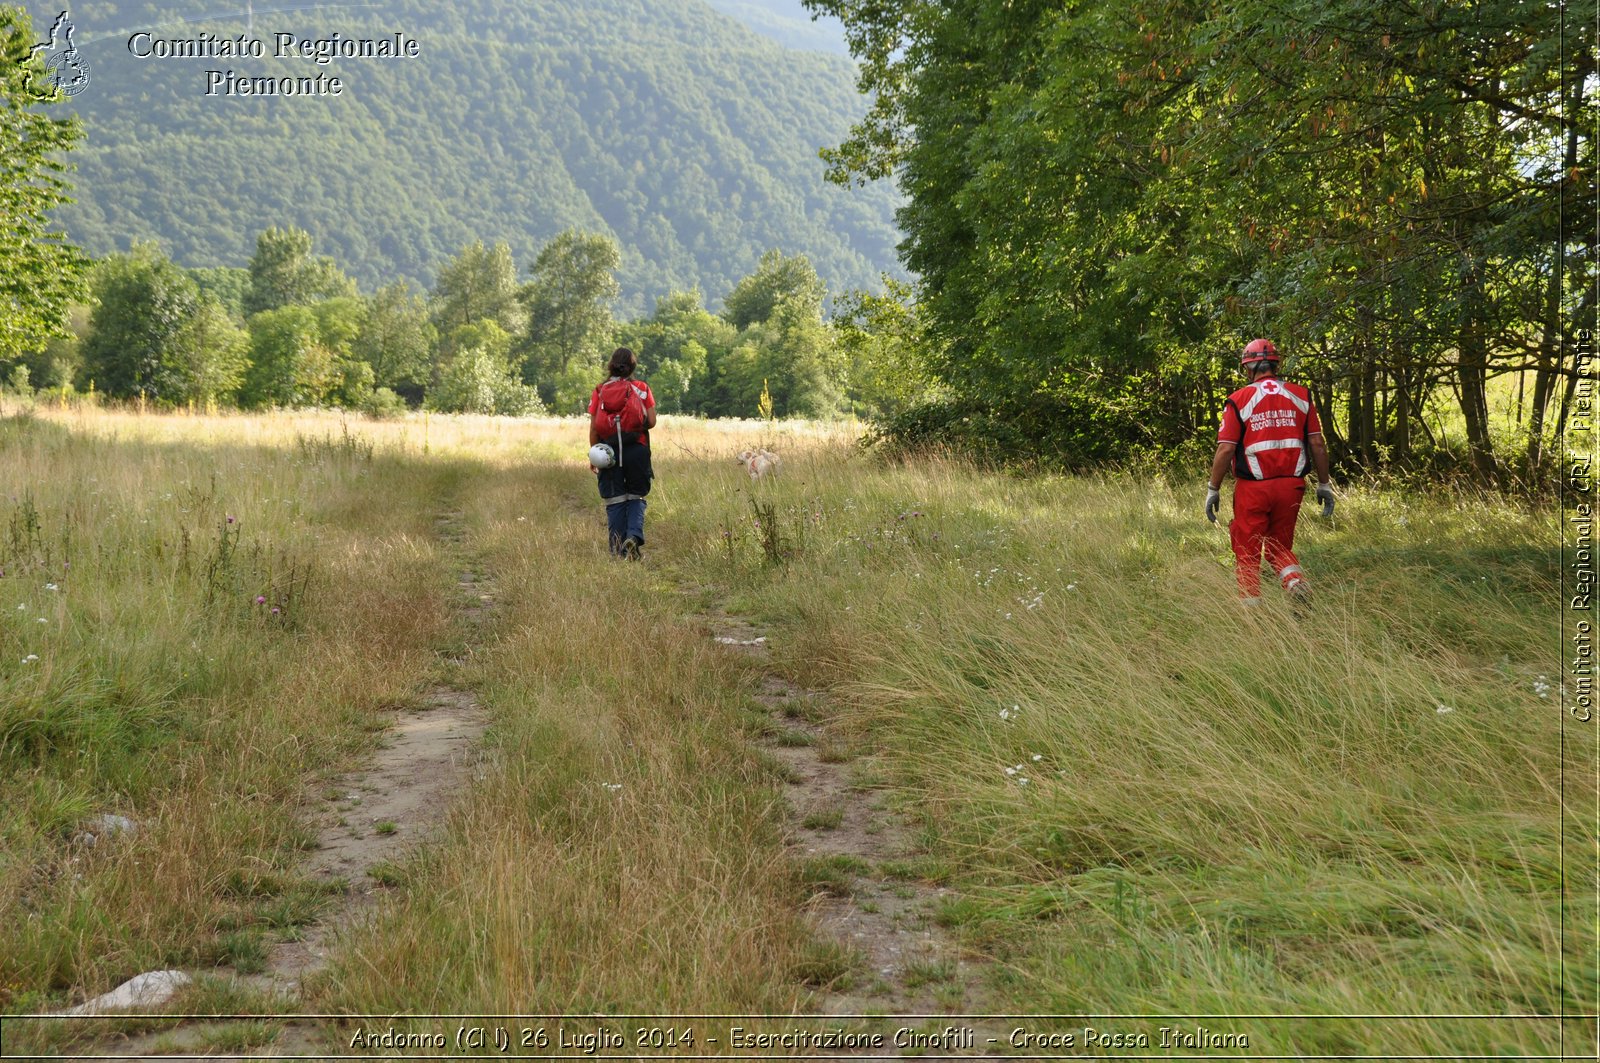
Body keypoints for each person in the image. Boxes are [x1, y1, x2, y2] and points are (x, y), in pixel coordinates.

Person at [1205, 338, 1335, 604]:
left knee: (1247, 550)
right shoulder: (1301, 396)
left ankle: (1253, 613)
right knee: (1279, 546)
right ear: (1276, 364)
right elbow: (1317, 444)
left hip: (1253, 489)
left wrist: (1213, 488)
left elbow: (1226, 450)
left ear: (1248, 368)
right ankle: (1295, 582)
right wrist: (1324, 484)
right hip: (1292, 487)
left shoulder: (1238, 400)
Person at [588, 347, 657, 559]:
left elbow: (594, 428)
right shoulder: (642, 388)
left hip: (608, 453)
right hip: (637, 450)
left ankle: (618, 550)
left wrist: (594, 454)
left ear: (611, 365)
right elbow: (652, 422)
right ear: (632, 367)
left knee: (615, 499)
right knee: (636, 496)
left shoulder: (600, 390)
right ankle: (633, 536)